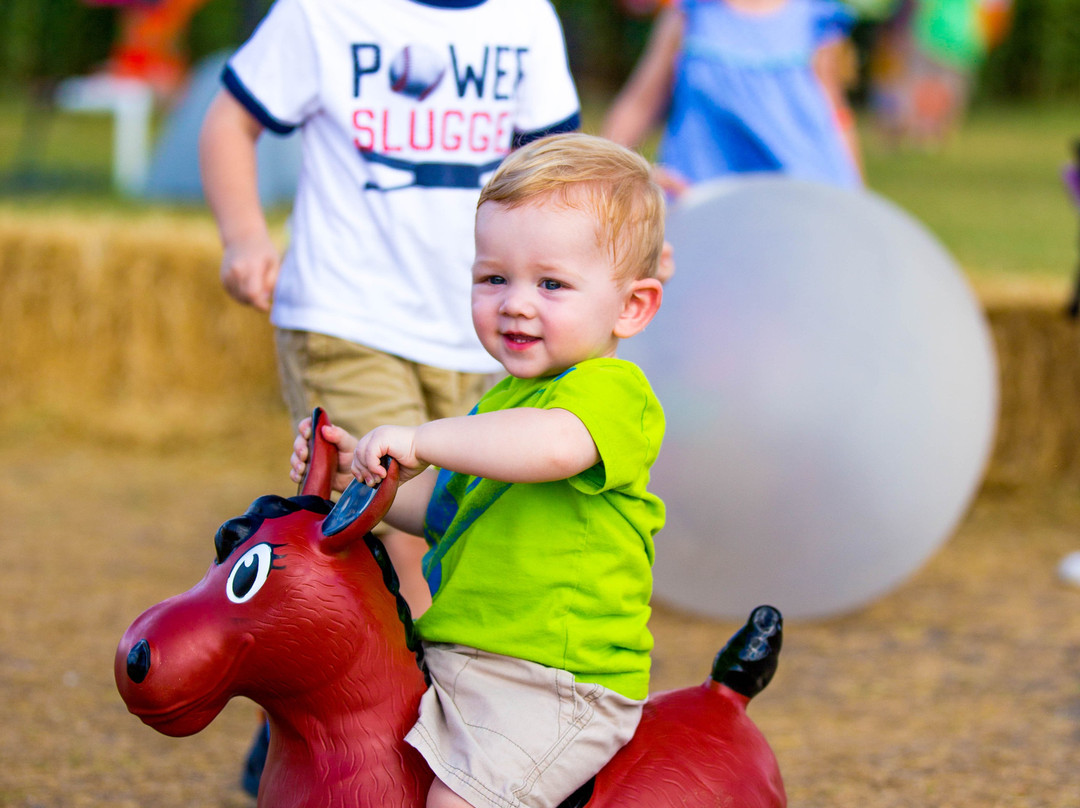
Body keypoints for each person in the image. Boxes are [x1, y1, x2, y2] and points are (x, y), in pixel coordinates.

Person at [289, 133, 667, 808]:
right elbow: (443, 511)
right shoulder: (499, 402)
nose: (516, 302)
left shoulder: (612, 393)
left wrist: (424, 437)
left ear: (631, 306)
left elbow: (552, 449)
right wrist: (366, 476)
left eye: (552, 283)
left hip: (555, 680)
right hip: (463, 659)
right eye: (494, 277)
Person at [198, 0, 581, 618]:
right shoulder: (321, 11)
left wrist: (623, 246)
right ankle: (416, 709)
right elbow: (229, 122)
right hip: (347, 314)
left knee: (468, 520)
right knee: (394, 532)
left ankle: (351, 709)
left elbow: (561, 170)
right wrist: (244, 236)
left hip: (488, 326)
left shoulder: (525, 16)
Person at [602, 0, 863, 196]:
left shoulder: (812, 16)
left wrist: (856, 195)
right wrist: (600, 174)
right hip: (700, 192)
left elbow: (834, 113)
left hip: (799, 193)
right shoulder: (692, 13)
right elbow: (638, 104)